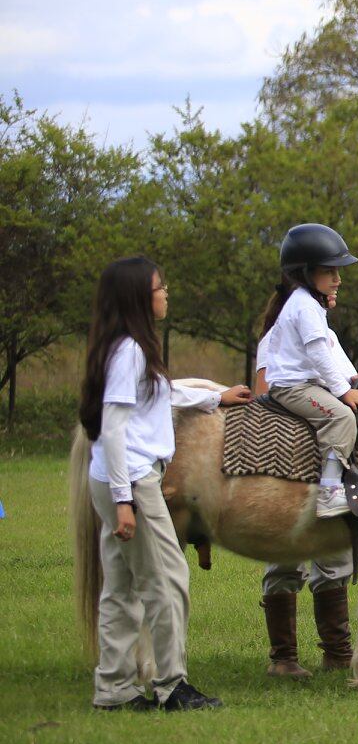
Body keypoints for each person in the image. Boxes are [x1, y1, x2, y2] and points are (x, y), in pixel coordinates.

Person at [80, 256, 251, 711]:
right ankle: (171, 686)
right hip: (132, 480)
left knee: (120, 586)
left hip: (116, 477)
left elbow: (160, 394)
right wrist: (123, 501)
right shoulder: (130, 352)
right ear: (140, 297)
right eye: (160, 286)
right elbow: (113, 427)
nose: (166, 293)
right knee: (168, 578)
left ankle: (113, 689)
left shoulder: (124, 346)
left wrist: (216, 396)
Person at [254, 311, 354, 679]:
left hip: (330, 458)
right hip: (289, 462)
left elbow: (346, 378)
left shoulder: (325, 335)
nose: (335, 286)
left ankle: (338, 654)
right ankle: (283, 658)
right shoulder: (276, 339)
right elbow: (265, 396)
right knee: (286, 554)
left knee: (334, 551)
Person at [260, 223, 358, 518]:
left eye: (338, 272)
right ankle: (330, 491)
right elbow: (318, 354)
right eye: (329, 272)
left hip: (303, 383)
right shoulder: (306, 307)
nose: (338, 280)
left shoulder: (307, 304)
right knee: (341, 417)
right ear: (305, 273)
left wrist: (350, 378)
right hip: (292, 388)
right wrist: (344, 391)